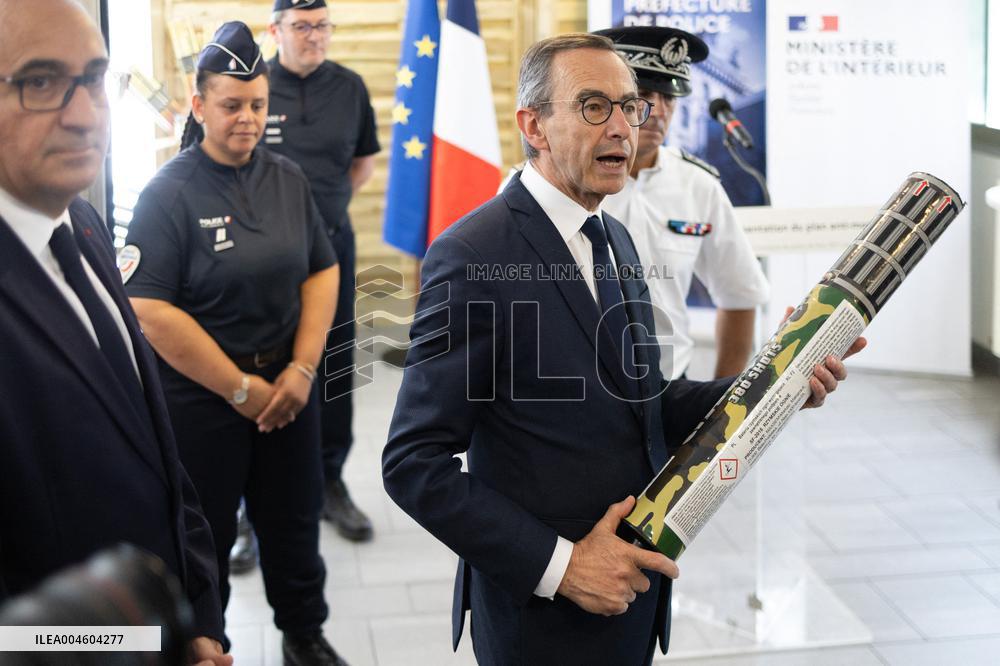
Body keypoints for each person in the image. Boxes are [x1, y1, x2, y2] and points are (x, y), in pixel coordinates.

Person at [382, 33, 864, 665]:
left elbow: (641, 402)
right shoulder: (473, 256)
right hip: (541, 618)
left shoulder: (614, 238)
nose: (622, 127)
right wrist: (565, 566)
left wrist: (776, 384)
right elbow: (413, 463)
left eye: (630, 107)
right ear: (535, 126)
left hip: (633, 592)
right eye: (592, 107)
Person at [0, 1, 229, 663]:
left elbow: (157, 456)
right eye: (40, 82)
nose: (83, 115)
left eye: (93, 78)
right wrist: (141, 637)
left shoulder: (85, 225)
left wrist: (199, 621)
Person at [122, 22, 346, 666]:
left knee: (294, 521)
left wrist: (302, 370)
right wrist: (240, 389)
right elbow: (149, 309)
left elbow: (321, 270)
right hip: (204, 401)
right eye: (231, 105)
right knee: (207, 533)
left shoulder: (287, 178)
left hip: (287, 387)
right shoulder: (168, 193)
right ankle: (208, 645)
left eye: (257, 104)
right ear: (198, 106)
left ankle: (303, 634)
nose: (247, 118)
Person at [262, 0, 381, 543]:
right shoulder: (254, 86)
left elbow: (361, 165)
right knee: (264, 359)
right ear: (277, 30)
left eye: (322, 25)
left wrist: (317, 218)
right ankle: (251, 501)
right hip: (262, 255)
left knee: (334, 362)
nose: (315, 36)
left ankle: (331, 482)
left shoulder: (350, 87)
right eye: (302, 26)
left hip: (331, 248)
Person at [596, 26, 770, 380]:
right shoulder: (559, 180)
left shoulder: (698, 185)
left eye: (669, 98)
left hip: (671, 387)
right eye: (644, 93)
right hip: (581, 396)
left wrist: (721, 407)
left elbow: (740, 293)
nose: (659, 110)